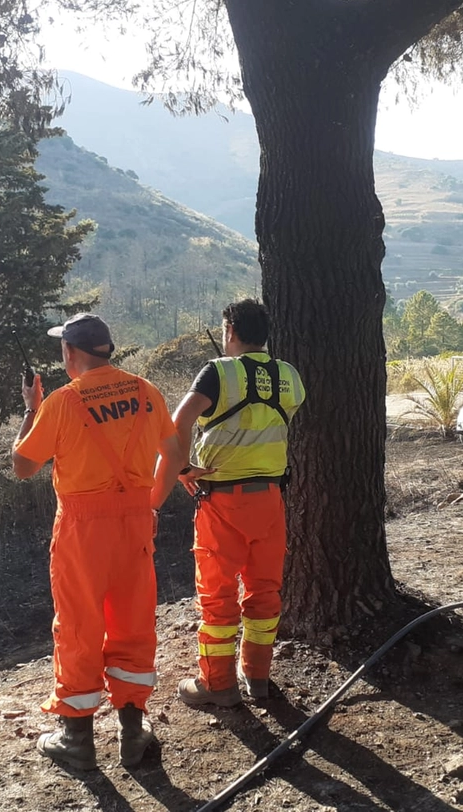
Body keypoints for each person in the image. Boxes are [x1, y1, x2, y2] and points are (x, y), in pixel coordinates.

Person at [12, 313, 187, 770]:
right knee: (132, 620)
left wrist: (32, 408)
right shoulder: (147, 391)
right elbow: (174, 453)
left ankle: (77, 739)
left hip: (83, 529)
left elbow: (23, 465)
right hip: (134, 521)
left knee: (78, 624)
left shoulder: (63, 402)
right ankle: (133, 733)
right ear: (106, 349)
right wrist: (151, 504)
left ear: (70, 353)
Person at [170, 299, 306, 707]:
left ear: (229, 329)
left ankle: (217, 684)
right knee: (265, 591)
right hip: (270, 499)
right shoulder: (291, 377)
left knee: (218, 597)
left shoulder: (218, 372)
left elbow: (178, 421)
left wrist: (183, 469)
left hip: (222, 501)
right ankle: (258, 677)